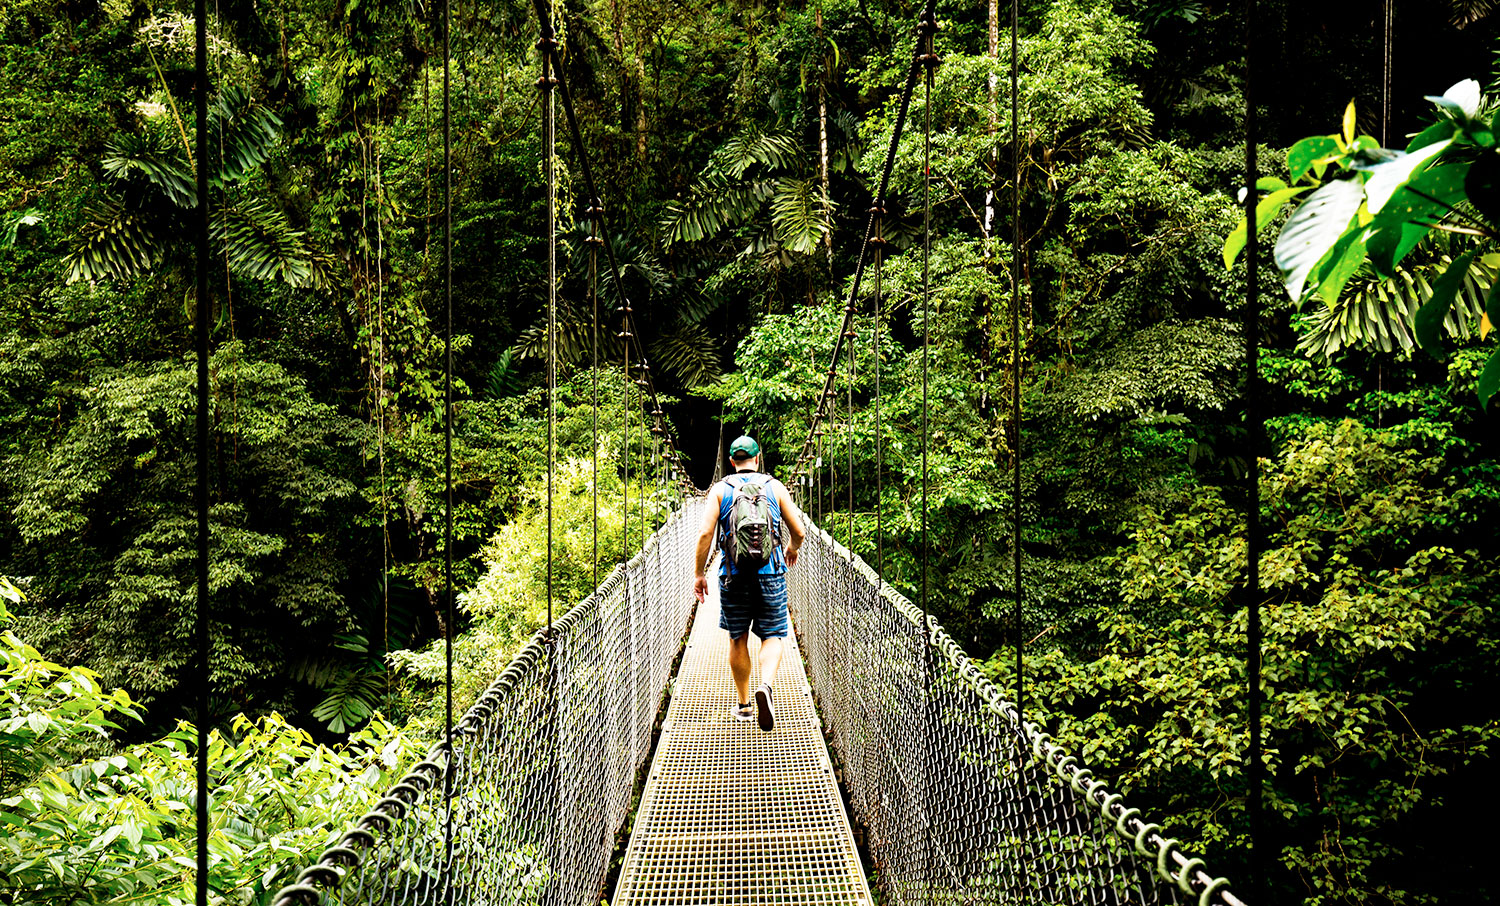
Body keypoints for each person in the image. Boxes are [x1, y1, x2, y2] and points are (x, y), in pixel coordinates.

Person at [693, 435, 807, 731]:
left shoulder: (719, 490)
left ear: (731, 462)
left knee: (737, 637)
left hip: (733, 575)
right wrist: (791, 548)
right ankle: (765, 686)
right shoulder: (775, 487)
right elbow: (799, 531)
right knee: (773, 635)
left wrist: (699, 573)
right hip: (771, 573)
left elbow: (706, 534)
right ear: (758, 458)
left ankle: (744, 706)